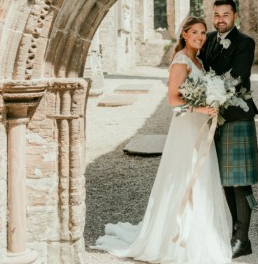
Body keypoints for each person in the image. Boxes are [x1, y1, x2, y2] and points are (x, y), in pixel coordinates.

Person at [91, 16, 233, 264]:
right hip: (187, 126)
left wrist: (213, 101)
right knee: (185, 175)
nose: (200, 37)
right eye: (195, 32)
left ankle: (200, 230)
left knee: (201, 176)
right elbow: (173, 100)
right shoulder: (180, 61)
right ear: (184, 34)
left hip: (199, 124)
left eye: (203, 33)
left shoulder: (198, 60)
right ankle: (175, 236)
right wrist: (202, 109)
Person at [198, 0, 258, 259]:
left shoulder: (245, 43)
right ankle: (233, 230)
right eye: (216, 15)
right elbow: (198, 68)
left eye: (225, 14)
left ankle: (243, 239)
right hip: (212, 117)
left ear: (235, 15)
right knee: (223, 180)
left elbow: (238, 77)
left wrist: (211, 91)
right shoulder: (208, 39)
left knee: (240, 182)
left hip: (237, 116)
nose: (220, 19)